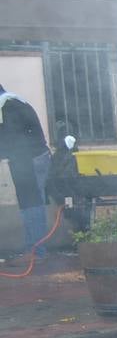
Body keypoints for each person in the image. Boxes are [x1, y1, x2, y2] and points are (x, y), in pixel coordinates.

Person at [0, 83, 51, 258]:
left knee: (32, 204)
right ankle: (33, 249)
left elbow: (12, 140)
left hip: (30, 159)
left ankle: (37, 252)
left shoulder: (8, 107)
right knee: (29, 204)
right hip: (27, 158)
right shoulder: (11, 102)